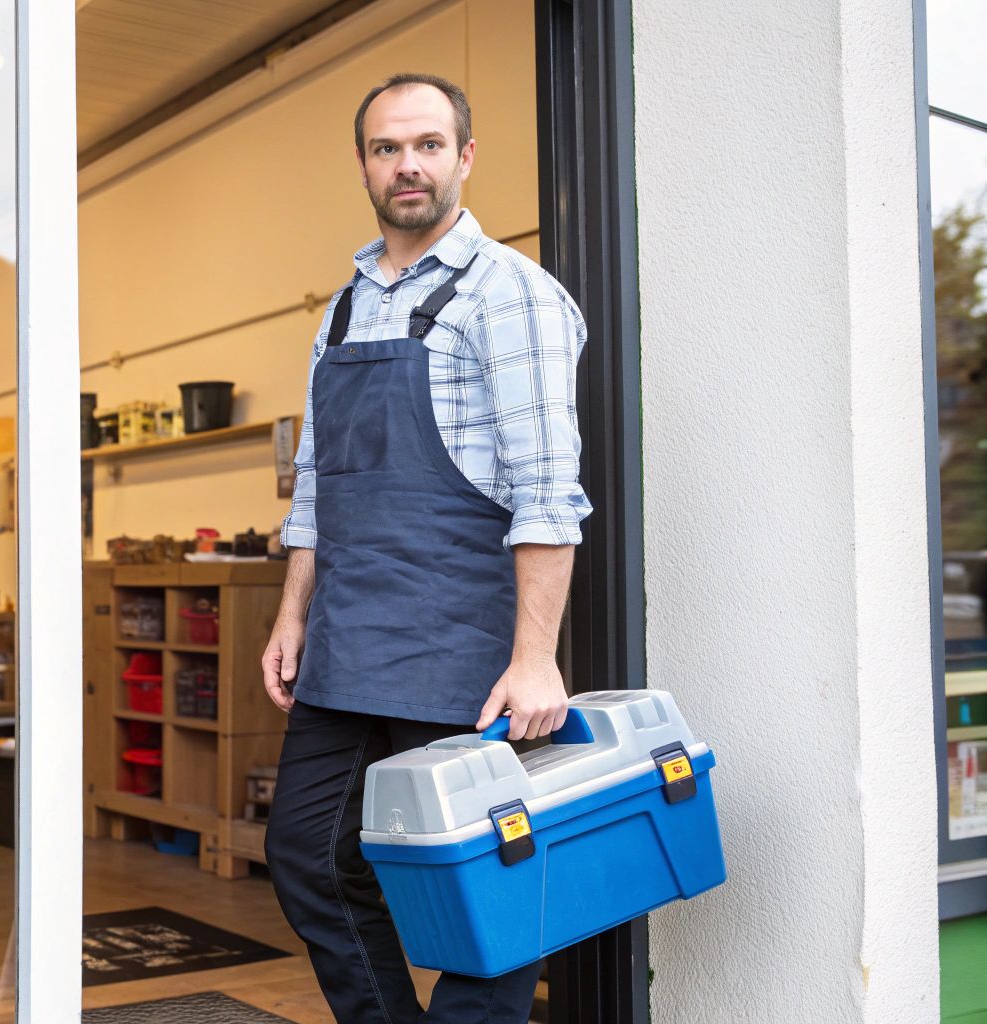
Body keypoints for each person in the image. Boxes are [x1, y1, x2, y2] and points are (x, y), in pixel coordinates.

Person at [261, 73, 592, 1023]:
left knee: (475, 879)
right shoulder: (344, 307)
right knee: (309, 857)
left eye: (428, 145)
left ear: (465, 157)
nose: (407, 164)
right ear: (364, 164)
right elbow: (318, 486)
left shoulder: (513, 296)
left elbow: (545, 494)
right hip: (351, 637)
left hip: (462, 646)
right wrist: (292, 615)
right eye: (386, 148)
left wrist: (535, 660)